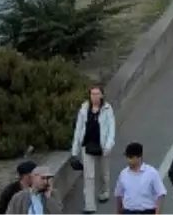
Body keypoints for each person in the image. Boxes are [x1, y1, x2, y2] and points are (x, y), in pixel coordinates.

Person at [70, 85, 116, 215]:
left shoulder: (107, 109)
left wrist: (108, 145)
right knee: (88, 177)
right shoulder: (84, 109)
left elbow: (111, 128)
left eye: (97, 94)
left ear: (102, 95)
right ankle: (89, 205)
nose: (94, 96)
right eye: (92, 94)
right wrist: (75, 151)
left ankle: (104, 191)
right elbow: (78, 130)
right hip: (88, 146)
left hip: (102, 147)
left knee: (104, 173)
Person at [115, 143, 167, 215]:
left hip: (147, 212)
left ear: (139, 157)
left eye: (130, 157)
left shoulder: (151, 173)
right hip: (128, 212)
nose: (128, 160)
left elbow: (161, 194)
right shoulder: (123, 174)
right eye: (127, 157)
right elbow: (119, 195)